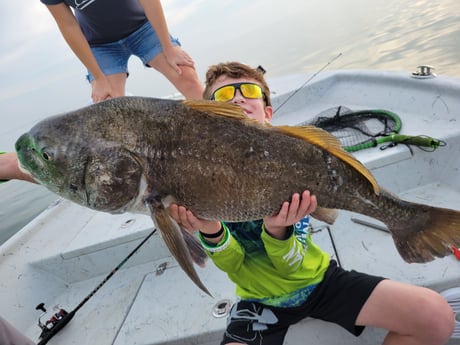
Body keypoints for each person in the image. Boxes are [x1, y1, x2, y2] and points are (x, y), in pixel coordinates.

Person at [168, 62, 454, 345]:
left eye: (249, 90)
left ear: (268, 113)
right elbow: (234, 263)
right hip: (257, 302)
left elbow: (292, 267)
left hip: (319, 282)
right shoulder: (202, 181)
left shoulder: (292, 163)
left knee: (436, 316)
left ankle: (413, 221)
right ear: (209, 118)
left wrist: (278, 231)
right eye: (224, 96)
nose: (238, 97)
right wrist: (210, 229)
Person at [40, 0, 203, 102]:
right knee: (108, 103)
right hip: (101, 45)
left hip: (142, 27)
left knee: (186, 75)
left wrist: (168, 48)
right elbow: (68, 26)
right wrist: (98, 77)